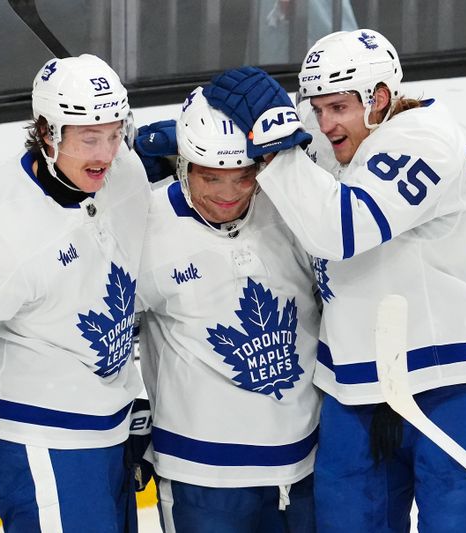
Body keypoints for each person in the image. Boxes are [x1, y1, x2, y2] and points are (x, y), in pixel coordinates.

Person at [202, 29, 466, 533]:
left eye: (337, 108)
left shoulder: (425, 140)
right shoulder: (341, 129)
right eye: (317, 107)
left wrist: (278, 145)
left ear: (378, 99)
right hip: (352, 392)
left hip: (446, 385)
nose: (324, 122)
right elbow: (266, 144)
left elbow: (342, 229)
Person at [0, 54, 151, 533]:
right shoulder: (2, 232)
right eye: (89, 137)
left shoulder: (125, 173)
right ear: (46, 131)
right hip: (34, 434)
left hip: (108, 418)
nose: (105, 153)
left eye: (115, 133)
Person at [134, 87, 322, 532]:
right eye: (210, 177)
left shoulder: (292, 207)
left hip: (308, 467)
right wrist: (129, 408)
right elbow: (102, 327)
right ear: (183, 165)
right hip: (201, 476)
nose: (228, 194)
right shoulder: (144, 226)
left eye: (243, 176)